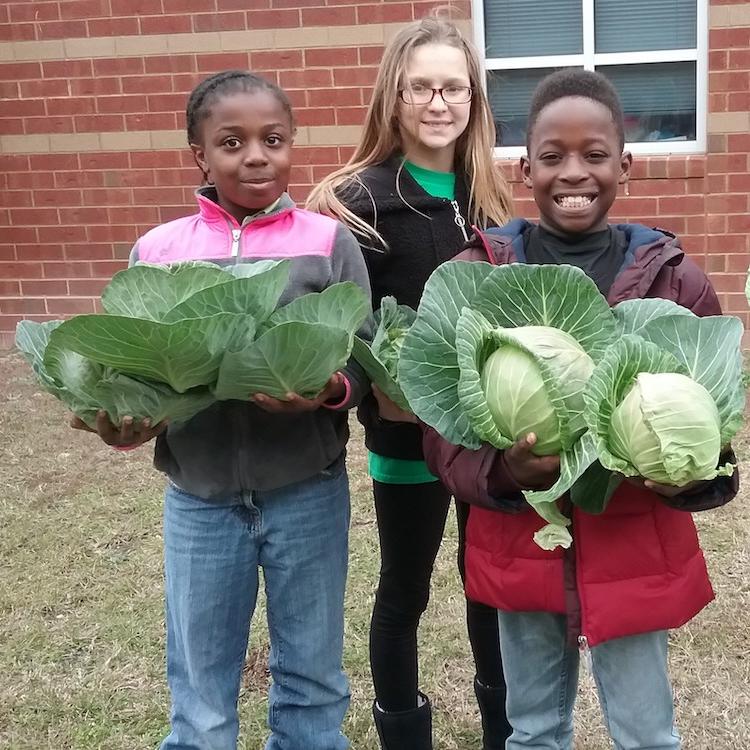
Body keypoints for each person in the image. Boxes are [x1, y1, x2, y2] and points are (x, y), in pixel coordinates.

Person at [412, 68, 739, 749]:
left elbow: (714, 407)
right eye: (553, 157)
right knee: (531, 730)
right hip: (522, 541)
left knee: (648, 733)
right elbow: (440, 425)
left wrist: (695, 473)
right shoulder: (483, 271)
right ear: (524, 166)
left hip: (631, 544)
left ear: (625, 163)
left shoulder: (674, 279)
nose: (573, 173)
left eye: (594, 155)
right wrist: (503, 473)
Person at [71, 70, 373, 750]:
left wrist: (326, 391)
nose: (255, 156)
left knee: (312, 674)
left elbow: (363, 356)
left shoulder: (328, 244)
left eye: (272, 139)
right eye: (231, 142)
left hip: (307, 491)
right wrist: (122, 423)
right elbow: (133, 371)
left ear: (294, 143)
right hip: (199, 499)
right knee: (201, 679)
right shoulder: (157, 252)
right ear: (199, 155)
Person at [307, 14, 513, 750]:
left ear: (474, 98)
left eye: (453, 87)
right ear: (391, 97)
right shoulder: (355, 204)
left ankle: (505, 731)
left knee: (488, 585)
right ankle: (404, 735)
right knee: (405, 590)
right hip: (406, 443)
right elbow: (338, 331)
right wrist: (378, 390)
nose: (437, 103)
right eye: (419, 87)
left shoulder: (489, 197)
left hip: (490, 441)